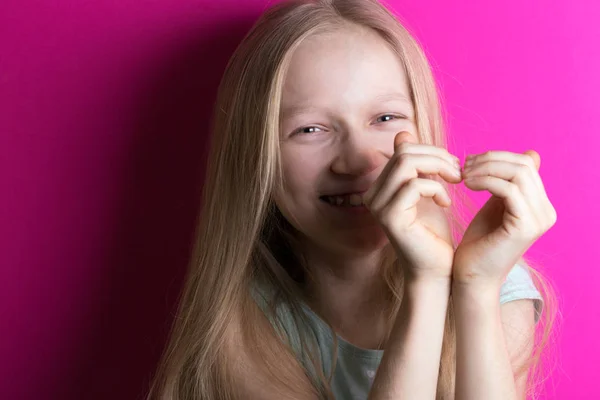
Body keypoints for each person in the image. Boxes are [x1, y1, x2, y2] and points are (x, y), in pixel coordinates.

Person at [147, 0, 558, 399]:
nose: (359, 161)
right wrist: (426, 284)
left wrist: (475, 288)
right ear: (255, 157)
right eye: (310, 129)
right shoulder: (246, 323)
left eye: (385, 118)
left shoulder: (492, 282)